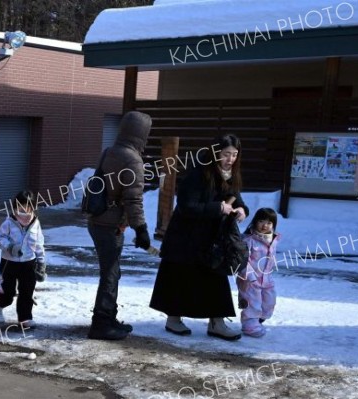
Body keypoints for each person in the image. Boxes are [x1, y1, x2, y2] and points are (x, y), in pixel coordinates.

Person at [149, 134, 248, 341]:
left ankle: (217, 322)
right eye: (226, 154)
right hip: (185, 239)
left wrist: (241, 209)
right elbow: (186, 206)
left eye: (234, 155)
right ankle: (173, 319)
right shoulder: (198, 174)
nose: (230, 159)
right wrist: (218, 207)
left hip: (212, 239)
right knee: (179, 279)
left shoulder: (230, 175)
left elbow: (237, 198)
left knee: (216, 280)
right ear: (215, 153)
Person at [87, 111, 152, 340]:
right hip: (110, 225)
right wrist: (141, 229)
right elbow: (133, 199)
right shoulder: (132, 160)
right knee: (110, 275)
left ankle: (109, 317)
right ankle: (101, 324)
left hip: (97, 220)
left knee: (112, 272)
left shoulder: (109, 151)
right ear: (142, 134)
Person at [0, 190, 46, 329]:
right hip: (9, 263)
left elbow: (39, 242)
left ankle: (25, 318)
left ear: (33, 207)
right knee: (8, 293)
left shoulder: (35, 223)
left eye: (27, 207)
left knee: (27, 292)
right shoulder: (9, 222)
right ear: (15, 207)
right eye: (20, 207)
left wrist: (41, 262)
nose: (24, 211)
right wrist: (10, 247)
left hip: (29, 263)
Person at [237, 208, 281, 338]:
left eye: (269, 223)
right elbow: (243, 260)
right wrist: (249, 277)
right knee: (252, 302)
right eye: (261, 221)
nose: (264, 225)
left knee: (269, 302)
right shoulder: (248, 240)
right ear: (255, 221)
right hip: (249, 279)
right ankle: (250, 325)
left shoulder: (273, 239)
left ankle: (258, 320)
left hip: (266, 278)